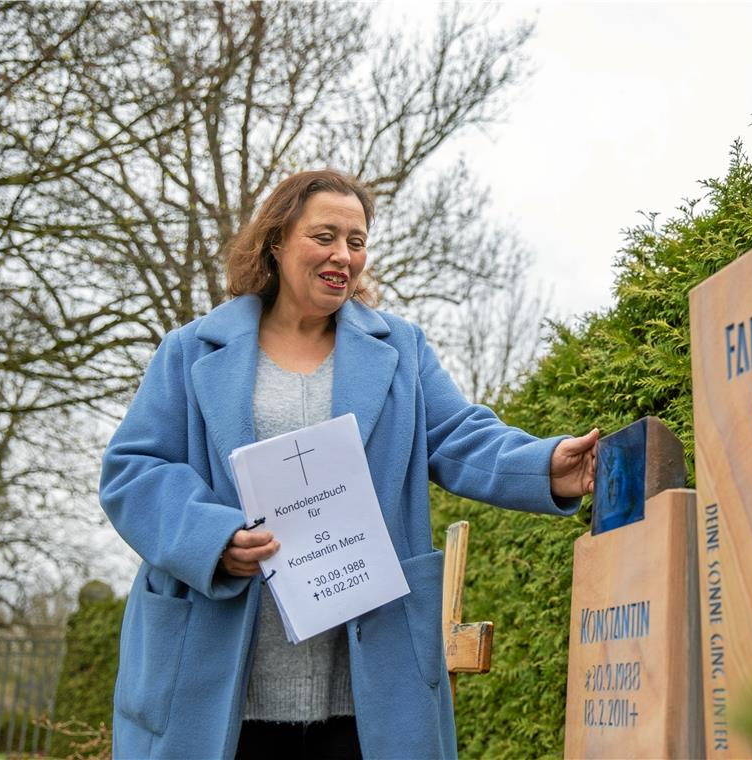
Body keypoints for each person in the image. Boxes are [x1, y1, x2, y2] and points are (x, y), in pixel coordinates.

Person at [99, 169, 598, 759]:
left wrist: (544, 466)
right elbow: (134, 468)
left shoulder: (400, 349)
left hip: (364, 692)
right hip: (217, 686)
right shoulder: (189, 351)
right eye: (325, 236)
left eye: (356, 242)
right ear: (276, 242)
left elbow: (460, 434)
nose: (343, 255)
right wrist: (212, 539)